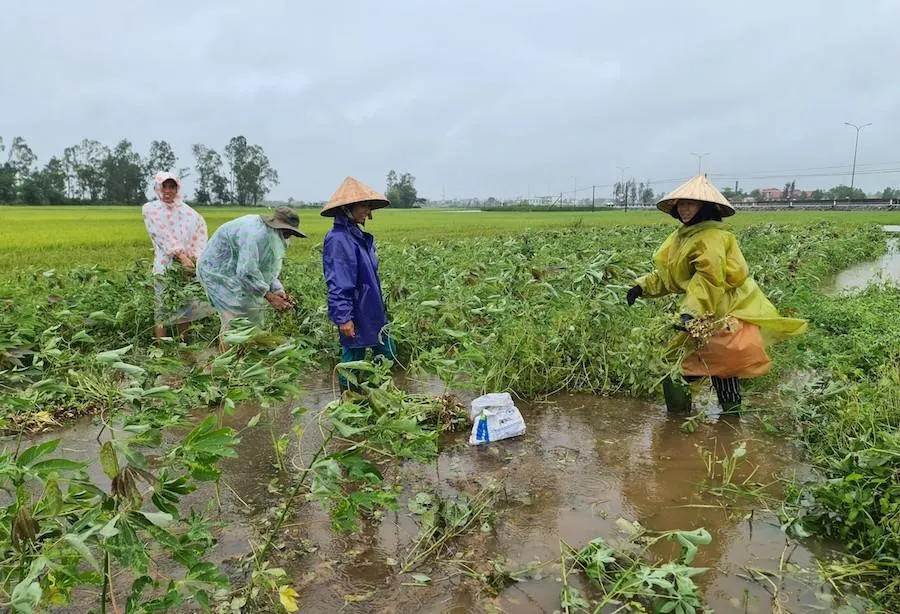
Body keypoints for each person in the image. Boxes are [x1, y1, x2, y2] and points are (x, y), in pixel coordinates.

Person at [626, 175, 807, 414]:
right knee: (683, 366)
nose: (684, 209)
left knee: (719, 367)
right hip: (702, 310)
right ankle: (689, 420)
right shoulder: (684, 235)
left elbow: (708, 279)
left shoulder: (713, 237)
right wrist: (642, 287)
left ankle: (723, 423)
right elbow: (671, 274)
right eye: (681, 204)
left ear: (705, 207)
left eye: (690, 204)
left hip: (724, 311)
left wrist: (691, 313)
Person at [321, 177, 396, 382]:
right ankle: (348, 398)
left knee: (388, 356)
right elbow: (338, 281)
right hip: (356, 312)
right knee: (352, 364)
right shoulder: (338, 239)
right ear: (347, 208)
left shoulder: (356, 236)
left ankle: (383, 394)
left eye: (369, 206)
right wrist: (344, 317)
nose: (368, 211)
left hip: (373, 310)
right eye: (363, 206)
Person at [197, 207, 305, 347]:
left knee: (251, 313)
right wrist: (271, 298)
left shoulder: (275, 237)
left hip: (237, 270)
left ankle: (245, 353)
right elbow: (246, 272)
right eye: (287, 232)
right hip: (217, 271)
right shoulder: (254, 235)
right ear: (278, 227)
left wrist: (278, 290)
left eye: (291, 233)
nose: (288, 237)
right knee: (234, 318)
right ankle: (227, 357)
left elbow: (267, 268)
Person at [142, 172, 210, 342]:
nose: (168, 191)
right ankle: (161, 346)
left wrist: (194, 258)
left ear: (177, 189)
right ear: (158, 188)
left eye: (172, 187)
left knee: (185, 304)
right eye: (164, 186)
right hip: (165, 266)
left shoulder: (187, 212)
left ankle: (184, 344)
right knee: (162, 305)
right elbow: (161, 234)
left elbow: (200, 233)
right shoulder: (151, 209)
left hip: (185, 267)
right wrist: (181, 255)